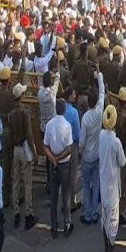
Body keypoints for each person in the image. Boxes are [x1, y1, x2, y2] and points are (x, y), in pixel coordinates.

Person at [44, 99, 75, 238]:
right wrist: (59, 158)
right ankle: (67, 224)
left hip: (53, 164)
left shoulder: (49, 124)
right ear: (64, 110)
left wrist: (53, 158)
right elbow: (69, 148)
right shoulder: (67, 126)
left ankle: (54, 226)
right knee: (66, 195)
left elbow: (45, 146)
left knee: (54, 196)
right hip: (64, 164)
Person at [99, 104, 126, 252]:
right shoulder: (115, 142)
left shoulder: (101, 136)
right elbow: (122, 161)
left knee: (104, 218)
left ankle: (106, 250)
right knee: (113, 221)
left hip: (103, 184)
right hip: (113, 187)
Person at [9, 83, 37, 230]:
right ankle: (28, 213)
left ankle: (16, 212)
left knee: (16, 181)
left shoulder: (11, 114)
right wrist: (34, 152)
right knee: (27, 183)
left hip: (15, 148)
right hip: (25, 148)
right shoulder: (24, 113)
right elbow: (29, 135)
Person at [79, 72, 105, 225]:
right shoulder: (99, 111)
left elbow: (82, 141)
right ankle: (95, 212)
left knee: (86, 184)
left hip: (87, 156)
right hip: (97, 155)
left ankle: (88, 214)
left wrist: (80, 151)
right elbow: (102, 92)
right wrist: (99, 76)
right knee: (95, 184)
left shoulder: (85, 118)